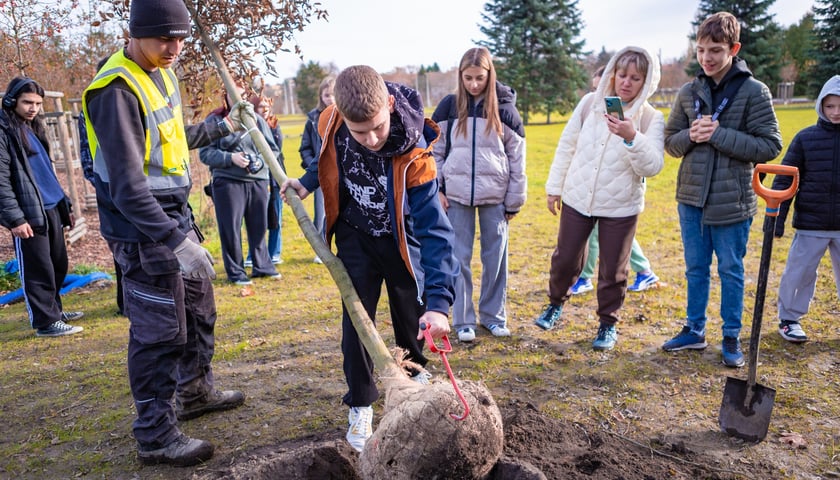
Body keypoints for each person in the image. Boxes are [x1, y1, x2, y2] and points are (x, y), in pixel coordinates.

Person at [82, 0, 248, 466]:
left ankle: (195, 392)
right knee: (160, 331)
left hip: (173, 214)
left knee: (198, 309)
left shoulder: (161, 72)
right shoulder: (115, 91)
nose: (174, 48)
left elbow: (171, 140)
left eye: (180, 39)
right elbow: (129, 189)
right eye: (164, 39)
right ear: (134, 33)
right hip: (141, 227)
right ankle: (155, 434)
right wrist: (176, 243)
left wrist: (219, 127)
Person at [281, 65, 458, 453]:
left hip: (397, 238)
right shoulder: (330, 122)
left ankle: (413, 381)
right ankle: (361, 403)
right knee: (357, 321)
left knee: (409, 312)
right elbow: (327, 158)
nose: (372, 138)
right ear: (342, 116)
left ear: (390, 105)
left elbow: (435, 231)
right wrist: (306, 182)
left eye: (378, 127)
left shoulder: (415, 154)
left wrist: (440, 303)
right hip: (355, 236)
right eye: (360, 132)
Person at [660, 12, 782, 367]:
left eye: (715, 50)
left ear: (734, 48)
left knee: (730, 270)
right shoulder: (688, 91)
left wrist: (719, 135)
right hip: (691, 199)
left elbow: (769, 145)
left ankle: (731, 338)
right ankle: (694, 331)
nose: (707, 58)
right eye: (700, 50)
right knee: (695, 269)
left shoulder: (753, 91)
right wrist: (690, 136)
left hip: (733, 202)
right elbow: (671, 143)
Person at [533, 46, 665, 351]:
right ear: (613, 74)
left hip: (620, 206)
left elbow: (653, 166)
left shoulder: (650, 119)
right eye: (622, 74)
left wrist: (631, 137)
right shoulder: (590, 104)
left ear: (646, 82)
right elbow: (566, 146)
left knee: (613, 270)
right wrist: (555, 187)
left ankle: (608, 324)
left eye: (636, 78)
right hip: (578, 197)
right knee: (565, 259)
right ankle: (555, 304)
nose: (627, 82)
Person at [431, 47, 526, 342]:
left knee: (495, 258)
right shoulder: (448, 107)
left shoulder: (506, 110)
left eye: (480, 78)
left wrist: (514, 199)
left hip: (496, 198)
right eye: (468, 78)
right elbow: (433, 151)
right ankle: (463, 321)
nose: (474, 84)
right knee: (458, 258)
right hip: (456, 196)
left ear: (489, 75)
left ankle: (494, 317)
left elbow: (517, 158)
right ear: (460, 76)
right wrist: (439, 189)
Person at [0, 77, 85, 337]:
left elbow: (46, 171)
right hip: (27, 212)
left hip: (50, 207)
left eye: (37, 103)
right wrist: (15, 219)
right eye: (27, 102)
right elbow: (1, 180)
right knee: (38, 269)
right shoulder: (4, 131)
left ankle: (55, 312)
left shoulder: (33, 127)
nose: (33, 107)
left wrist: (64, 204)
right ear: (12, 100)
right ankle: (46, 322)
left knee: (57, 264)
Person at [572, 66, 659, 295]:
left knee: (605, 233)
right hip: (595, 184)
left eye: (600, 88)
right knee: (602, 232)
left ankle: (586, 276)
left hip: (622, 186)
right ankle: (643, 271)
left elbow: (645, 158)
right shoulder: (593, 111)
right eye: (594, 88)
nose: (597, 94)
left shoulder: (637, 117)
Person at [771, 75, 840, 344]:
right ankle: (789, 319)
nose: (835, 113)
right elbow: (785, 179)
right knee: (799, 272)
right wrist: (777, 218)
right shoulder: (805, 139)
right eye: (830, 106)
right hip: (811, 223)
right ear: (821, 106)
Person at [199, 86, 282, 285]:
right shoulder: (214, 120)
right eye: (234, 94)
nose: (240, 99)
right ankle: (236, 272)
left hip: (258, 181)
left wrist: (260, 161)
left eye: (244, 95)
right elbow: (205, 153)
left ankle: (262, 266)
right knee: (230, 229)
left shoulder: (258, 121)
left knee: (259, 226)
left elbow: (273, 149)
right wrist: (230, 158)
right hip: (227, 182)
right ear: (225, 95)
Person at [298, 75, 335, 263]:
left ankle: (332, 247)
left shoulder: (343, 116)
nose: (330, 99)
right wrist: (314, 168)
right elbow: (304, 147)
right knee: (320, 213)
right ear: (321, 96)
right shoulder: (313, 118)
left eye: (333, 95)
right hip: (318, 175)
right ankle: (320, 249)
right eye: (327, 95)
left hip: (337, 173)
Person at [245, 94, 285, 266]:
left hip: (274, 179)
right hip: (255, 178)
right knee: (256, 218)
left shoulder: (275, 127)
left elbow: (276, 151)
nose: (264, 108)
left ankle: (274, 252)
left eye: (266, 105)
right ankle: (253, 254)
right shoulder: (248, 127)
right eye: (260, 106)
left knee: (276, 216)